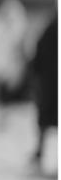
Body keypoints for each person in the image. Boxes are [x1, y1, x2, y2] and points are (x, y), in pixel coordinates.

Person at [30, 14, 57, 168]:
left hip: (48, 85)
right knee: (45, 120)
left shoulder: (48, 29)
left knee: (45, 121)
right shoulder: (49, 30)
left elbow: (37, 57)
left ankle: (39, 152)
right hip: (50, 84)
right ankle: (39, 152)